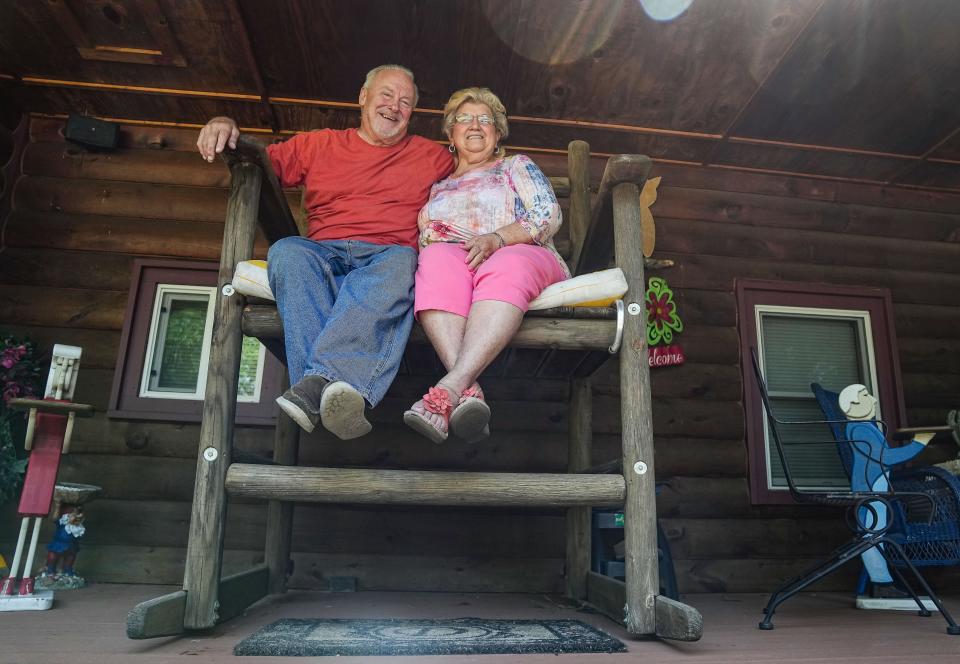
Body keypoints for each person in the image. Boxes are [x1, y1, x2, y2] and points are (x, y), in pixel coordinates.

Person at [196, 65, 453, 439]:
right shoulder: (320, 144)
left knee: (404, 261)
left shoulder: (432, 156)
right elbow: (258, 162)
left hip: (386, 256)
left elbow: (480, 167)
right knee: (286, 251)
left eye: (405, 103)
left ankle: (312, 388)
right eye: (386, 95)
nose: (394, 107)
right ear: (363, 97)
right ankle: (330, 384)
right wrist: (223, 123)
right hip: (324, 253)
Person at [403, 87, 570, 444]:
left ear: (497, 134)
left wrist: (497, 239)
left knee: (506, 261)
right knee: (433, 259)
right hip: (457, 265)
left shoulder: (515, 166)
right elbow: (426, 241)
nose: (475, 125)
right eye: (465, 119)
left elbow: (547, 214)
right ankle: (467, 391)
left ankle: (446, 389)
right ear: (450, 133)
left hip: (523, 253)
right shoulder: (437, 188)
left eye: (485, 120)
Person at [839, 383, 934, 588]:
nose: (873, 400)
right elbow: (886, 457)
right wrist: (918, 444)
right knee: (872, 533)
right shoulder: (858, 429)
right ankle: (881, 583)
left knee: (876, 530)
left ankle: (881, 580)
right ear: (853, 404)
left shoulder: (866, 427)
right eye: (866, 396)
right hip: (869, 486)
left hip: (877, 485)